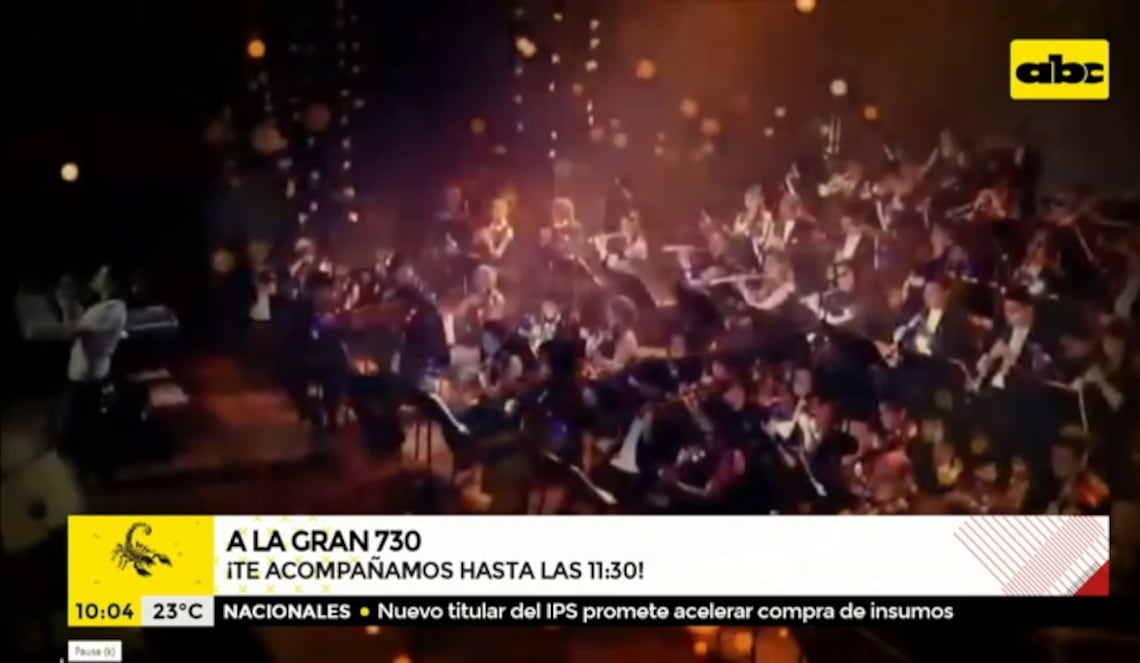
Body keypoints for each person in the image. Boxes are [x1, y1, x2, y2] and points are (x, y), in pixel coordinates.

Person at [56, 266, 128, 478]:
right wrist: (73, 305)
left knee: (77, 428)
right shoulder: (106, 307)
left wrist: (65, 303)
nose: (96, 276)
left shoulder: (110, 309)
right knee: (83, 425)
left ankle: (95, 471)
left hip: (87, 375)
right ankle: (93, 469)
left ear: (111, 283)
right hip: (87, 372)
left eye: (101, 274)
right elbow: (80, 325)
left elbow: (71, 331)